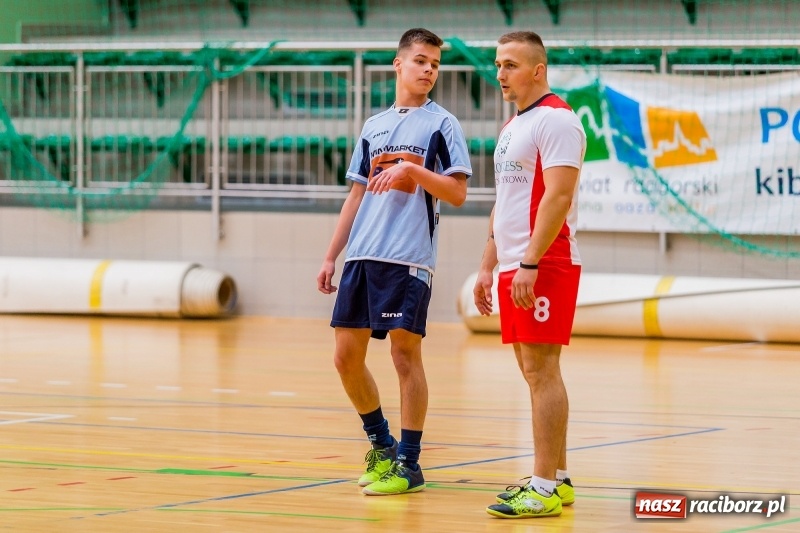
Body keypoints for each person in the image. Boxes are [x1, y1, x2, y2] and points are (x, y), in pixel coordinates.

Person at [317, 28, 471, 496]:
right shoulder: (373, 125)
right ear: (398, 65)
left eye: (436, 65)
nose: (429, 70)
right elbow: (356, 195)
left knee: (405, 355)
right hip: (362, 255)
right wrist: (331, 255)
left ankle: (410, 462)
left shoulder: (443, 124)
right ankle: (381, 445)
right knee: (345, 358)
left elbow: (459, 193)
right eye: (421, 61)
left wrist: (414, 170)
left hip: (407, 258)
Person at [473, 31, 586, 518]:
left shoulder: (558, 121)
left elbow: (558, 198)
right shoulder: (513, 125)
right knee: (530, 370)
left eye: (511, 65)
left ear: (537, 70)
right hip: (515, 263)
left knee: (542, 370)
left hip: (545, 263)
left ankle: (540, 486)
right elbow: (506, 201)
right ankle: (555, 478)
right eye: (498, 64)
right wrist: (488, 262)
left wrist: (531, 263)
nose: (501, 73)